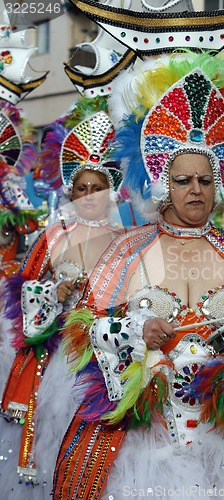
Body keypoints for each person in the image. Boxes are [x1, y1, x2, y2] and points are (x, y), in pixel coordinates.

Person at [54, 56, 224, 500]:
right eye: (183, 180)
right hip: (140, 440)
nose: (196, 190)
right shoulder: (127, 250)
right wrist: (136, 331)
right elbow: (84, 330)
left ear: (218, 182)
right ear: (164, 182)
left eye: (205, 179)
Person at [0, 111, 123, 497]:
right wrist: (56, 294)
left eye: (97, 188)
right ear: (71, 190)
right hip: (60, 361)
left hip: (108, 358)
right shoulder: (54, 236)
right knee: (54, 432)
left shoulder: (127, 239)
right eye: (82, 187)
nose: (89, 195)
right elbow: (25, 296)